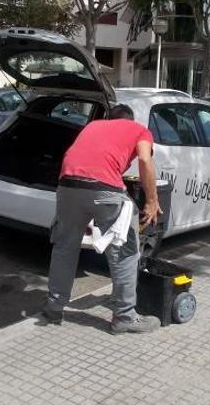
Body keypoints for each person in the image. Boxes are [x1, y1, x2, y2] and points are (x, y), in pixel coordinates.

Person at [43, 104, 162, 334]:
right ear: (131, 119)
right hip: (104, 189)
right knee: (124, 250)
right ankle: (125, 316)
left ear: (110, 118)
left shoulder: (93, 125)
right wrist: (152, 201)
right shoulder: (139, 130)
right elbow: (145, 161)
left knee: (64, 247)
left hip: (67, 185)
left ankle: (54, 306)